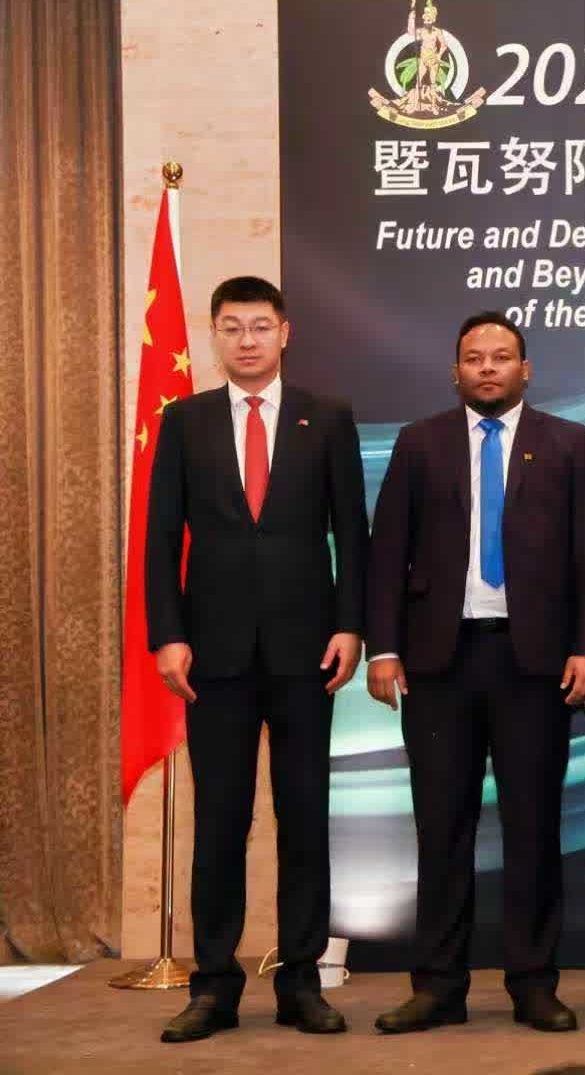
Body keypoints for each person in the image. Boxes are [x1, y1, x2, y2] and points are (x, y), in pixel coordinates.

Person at [365, 312, 585, 1034]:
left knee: (533, 828)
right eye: (474, 358)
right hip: (439, 664)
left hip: (534, 664)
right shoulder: (420, 442)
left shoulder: (568, 443)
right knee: (442, 829)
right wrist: (383, 648)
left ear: (525, 369)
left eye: (501, 357)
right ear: (456, 371)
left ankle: (533, 984)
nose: (488, 368)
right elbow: (387, 551)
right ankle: (438, 987)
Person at [145, 276, 367, 1043]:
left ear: (285, 333)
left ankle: (302, 982)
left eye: (260, 326)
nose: (247, 340)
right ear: (215, 335)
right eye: (233, 327)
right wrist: (167, 633)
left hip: (308, 652)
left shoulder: (326, 417)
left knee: (304, 819)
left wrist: (351, 626)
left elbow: (352, 532)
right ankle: (213, 986)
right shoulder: (185, 421)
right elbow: (160, 536)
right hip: (214, 654)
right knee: (219, 823)